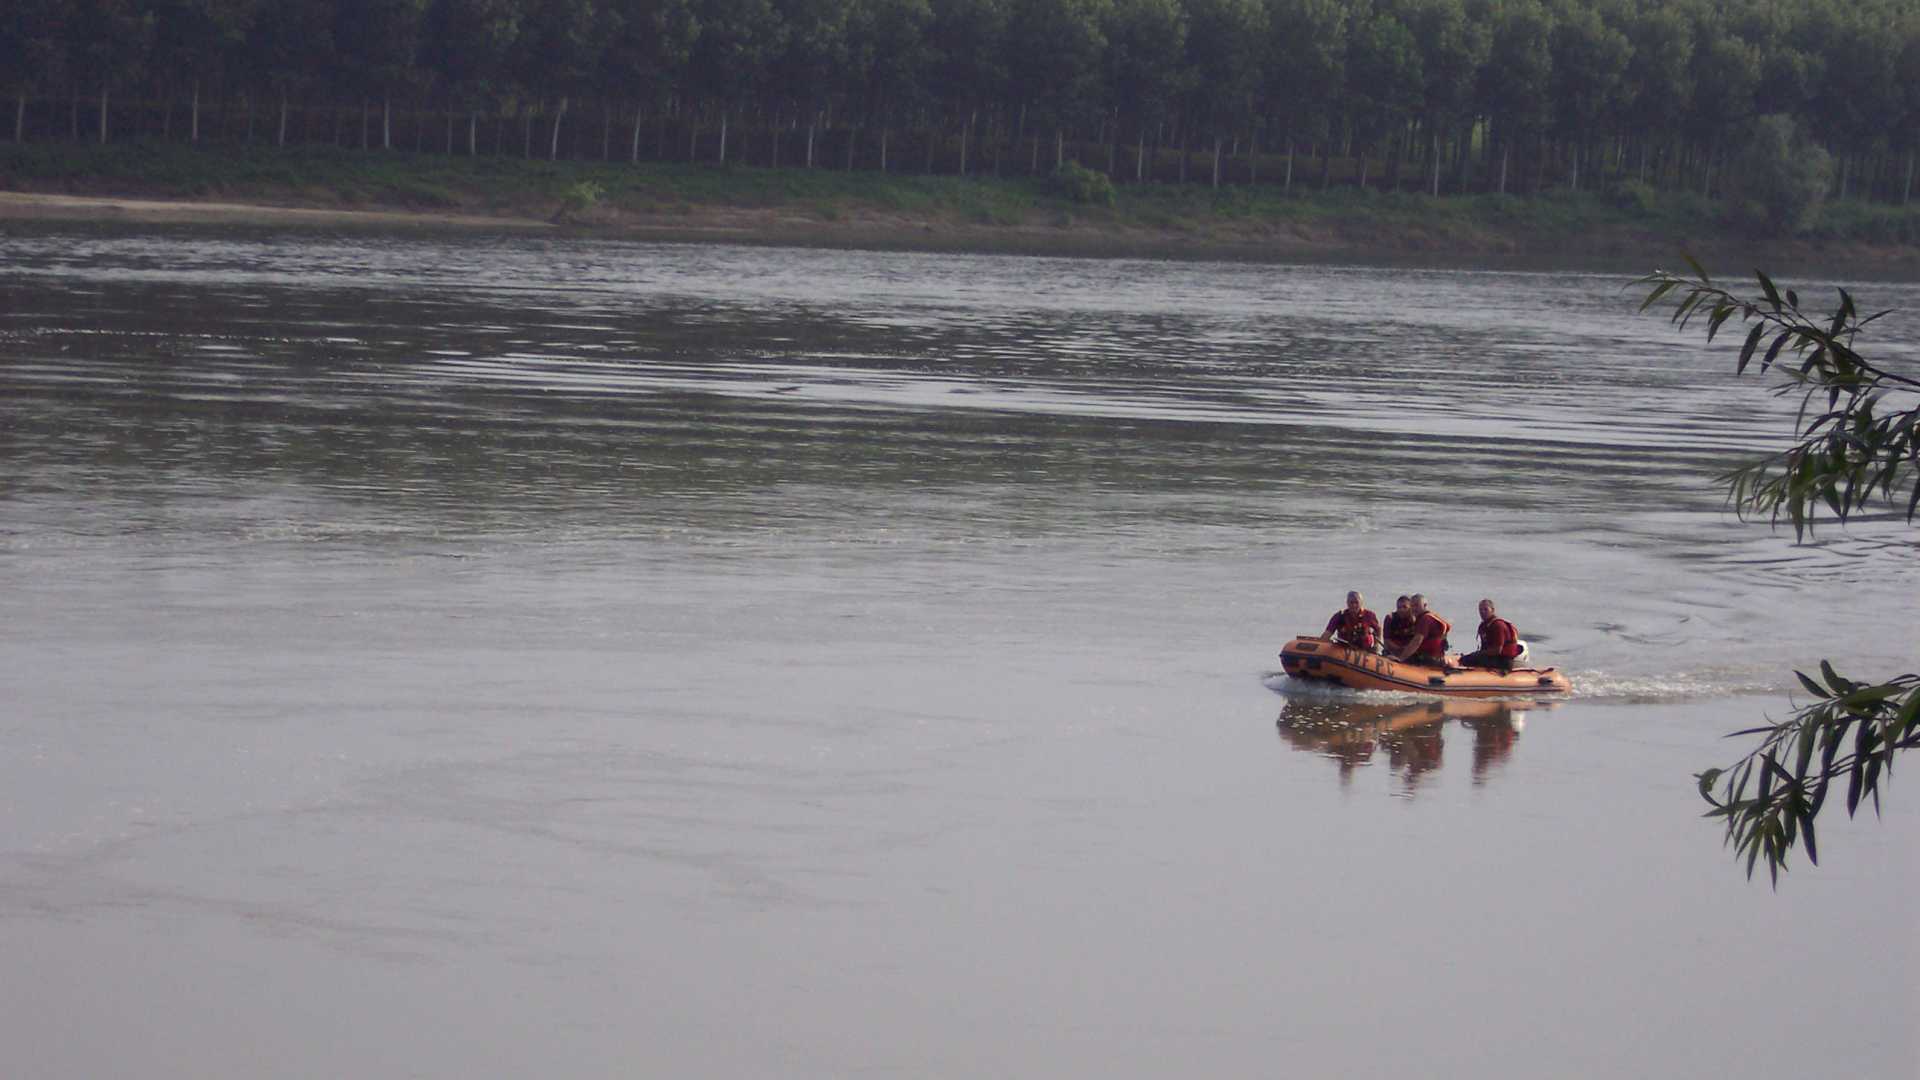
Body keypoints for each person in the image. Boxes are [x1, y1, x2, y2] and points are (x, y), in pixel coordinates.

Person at [1458, 598, 1522, 674]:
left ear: (1492, 610)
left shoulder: (1498, 625)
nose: (1482, 612)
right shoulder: (1484, 625)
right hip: (1493, 657)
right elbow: (1484, 647)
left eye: (1485, 609)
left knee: (1468, 659)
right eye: (1480, 610)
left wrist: (1478, 654)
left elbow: (1497, 650)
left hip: (1503, 661)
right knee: (1467, 658)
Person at [1394, 594, 1451, 667]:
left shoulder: (1425, 619)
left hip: (1430, 659)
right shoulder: (1430, 616)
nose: (1414, 608)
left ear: (1425, 605)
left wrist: (1400, 659)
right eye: (1412, 606)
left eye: (1417, 605)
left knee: (1394, 658)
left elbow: (1417, 641)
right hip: (1435, 657)